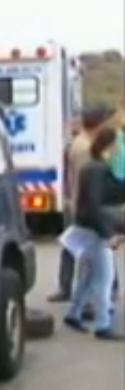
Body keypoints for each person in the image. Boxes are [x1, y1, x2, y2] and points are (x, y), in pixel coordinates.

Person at [63, 127, 125, 340]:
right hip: (96, 231)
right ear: (110, 145)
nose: (119, 148)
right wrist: (109, 234)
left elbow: (113, 191)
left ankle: (74, 313)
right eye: (117, 144)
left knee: (90, 275)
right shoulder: (99, 170)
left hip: (87, 227)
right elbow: (94, 205)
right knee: (104, 278)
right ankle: (102, 325)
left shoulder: (94, 167)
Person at [49, 105, 114, 303]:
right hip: (84, 206)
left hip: (77, 203)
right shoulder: (86, 148)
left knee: (75, 247)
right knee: (91, 250)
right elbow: (90, 183)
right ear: (99, 124)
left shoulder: (79, 143)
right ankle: (85, 296)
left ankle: (68, 288)